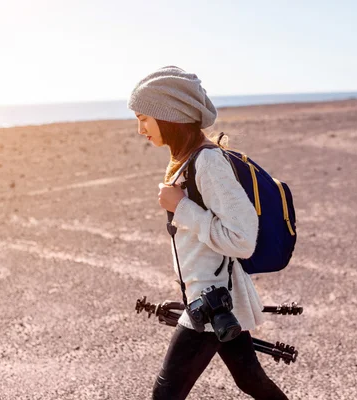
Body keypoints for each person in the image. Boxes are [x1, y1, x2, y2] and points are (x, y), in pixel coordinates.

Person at [127, 66, 289, 400]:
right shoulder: (186, 161)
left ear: (169, 115)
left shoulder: (209, 164)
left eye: (144, 118)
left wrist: (182, 208)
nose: (139, 128)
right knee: (250, 380)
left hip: (211, 302)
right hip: (212, 299)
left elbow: (243, 239)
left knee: (165, 394)